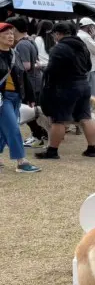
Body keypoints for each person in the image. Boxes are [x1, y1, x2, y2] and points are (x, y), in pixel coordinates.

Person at [35, 22, 95, 160]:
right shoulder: (83, 46)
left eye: (54, 34)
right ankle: (92, 149)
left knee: (60, 119)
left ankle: (52, 151)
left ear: (58, 34)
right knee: (86, 117)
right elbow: (88, 66)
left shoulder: (59, 48)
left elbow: (51, 70)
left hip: (65, 87)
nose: (53, 37)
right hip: (83, 84)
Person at [0, 23, 40, 173]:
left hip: (15, 96)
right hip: (2, 97)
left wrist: (30, 96)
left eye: (12, 33)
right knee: (12, 127)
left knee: (4, 129)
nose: (11, 36)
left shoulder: (14, 53)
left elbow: (23, 75)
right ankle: (21, 162)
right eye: (6, 33)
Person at [8, 17, 48, 147]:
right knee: (34, 111)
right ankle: (40, 134)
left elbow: (25, 66)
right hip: (35, 81)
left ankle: (37, 136)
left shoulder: (22, 44)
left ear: (14, 29)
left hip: (29, 83)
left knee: (29, 112)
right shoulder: (30, 40)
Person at [77, 18, 95, 126]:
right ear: (88, 27)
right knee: (91, 93)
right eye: (92, 26)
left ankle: (87, 115)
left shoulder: (79, 35)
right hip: (90, 67)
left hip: (84, 67)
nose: (94, 28)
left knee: (86, 93)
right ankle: (90, 116)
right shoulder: (86, 37)